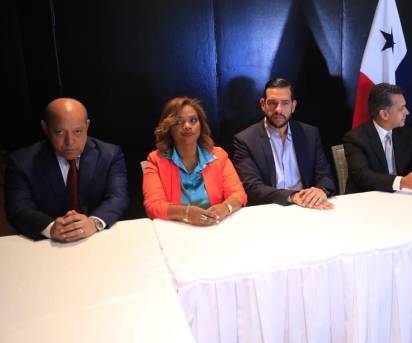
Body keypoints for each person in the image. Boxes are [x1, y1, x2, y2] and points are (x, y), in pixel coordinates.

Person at [5, 98, 128, 241]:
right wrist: (51, 228)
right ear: (45, 128)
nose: (70, 141)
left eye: (77, 131)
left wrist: (93, 222)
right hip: (47, 245)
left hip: (96, 239)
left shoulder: (110, 154)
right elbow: (18, 208)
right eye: (60, 132)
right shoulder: (21, 162)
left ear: (87, 125)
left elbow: (118, 198)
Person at [233, 78, 335, 209]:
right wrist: (292, 196)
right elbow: (252, 188)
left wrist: (321, 190)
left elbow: (325, 175)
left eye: (285, 103)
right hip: (270, 208)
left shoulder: (310, 134)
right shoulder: (245, 140)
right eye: (272, 103)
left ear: (293, 106)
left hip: (307, 206)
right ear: (263, 104)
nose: (278, 110)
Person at [143, 97, 246, 225]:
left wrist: (225, 208)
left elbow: (238, 194)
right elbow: (153, 206)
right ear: (168, 127)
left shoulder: (219, 156)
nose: (187, 126)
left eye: (193, 120)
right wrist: (186, 213)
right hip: (177, 228)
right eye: (179, 122)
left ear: (201, 125)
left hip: (215, 225)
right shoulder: (155, 161)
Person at [343, 83, 412, 194]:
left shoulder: (406, 133)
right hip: (367, 198)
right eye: (401, 108)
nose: (407, 112)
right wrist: (401, 182)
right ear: (384, 114)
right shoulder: (355, 138)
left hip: (401, 196)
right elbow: (362, 176)